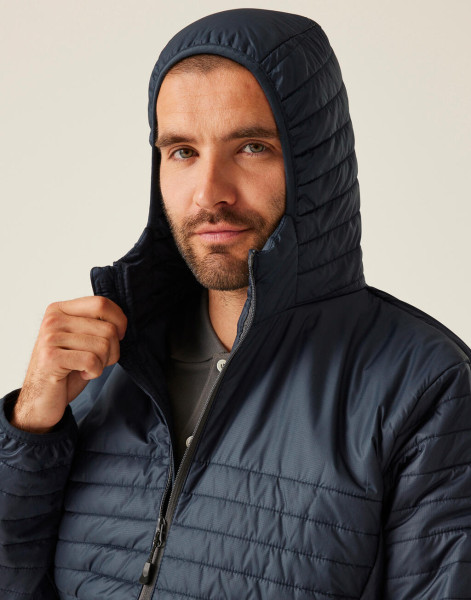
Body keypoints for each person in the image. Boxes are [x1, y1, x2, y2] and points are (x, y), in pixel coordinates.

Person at [1, 8, 470, 600]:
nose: (209, 193)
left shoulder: (423, 387)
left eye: (251, 147)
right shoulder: (105, 369)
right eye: (182, 151)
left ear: (314, 163)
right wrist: (31, 431)